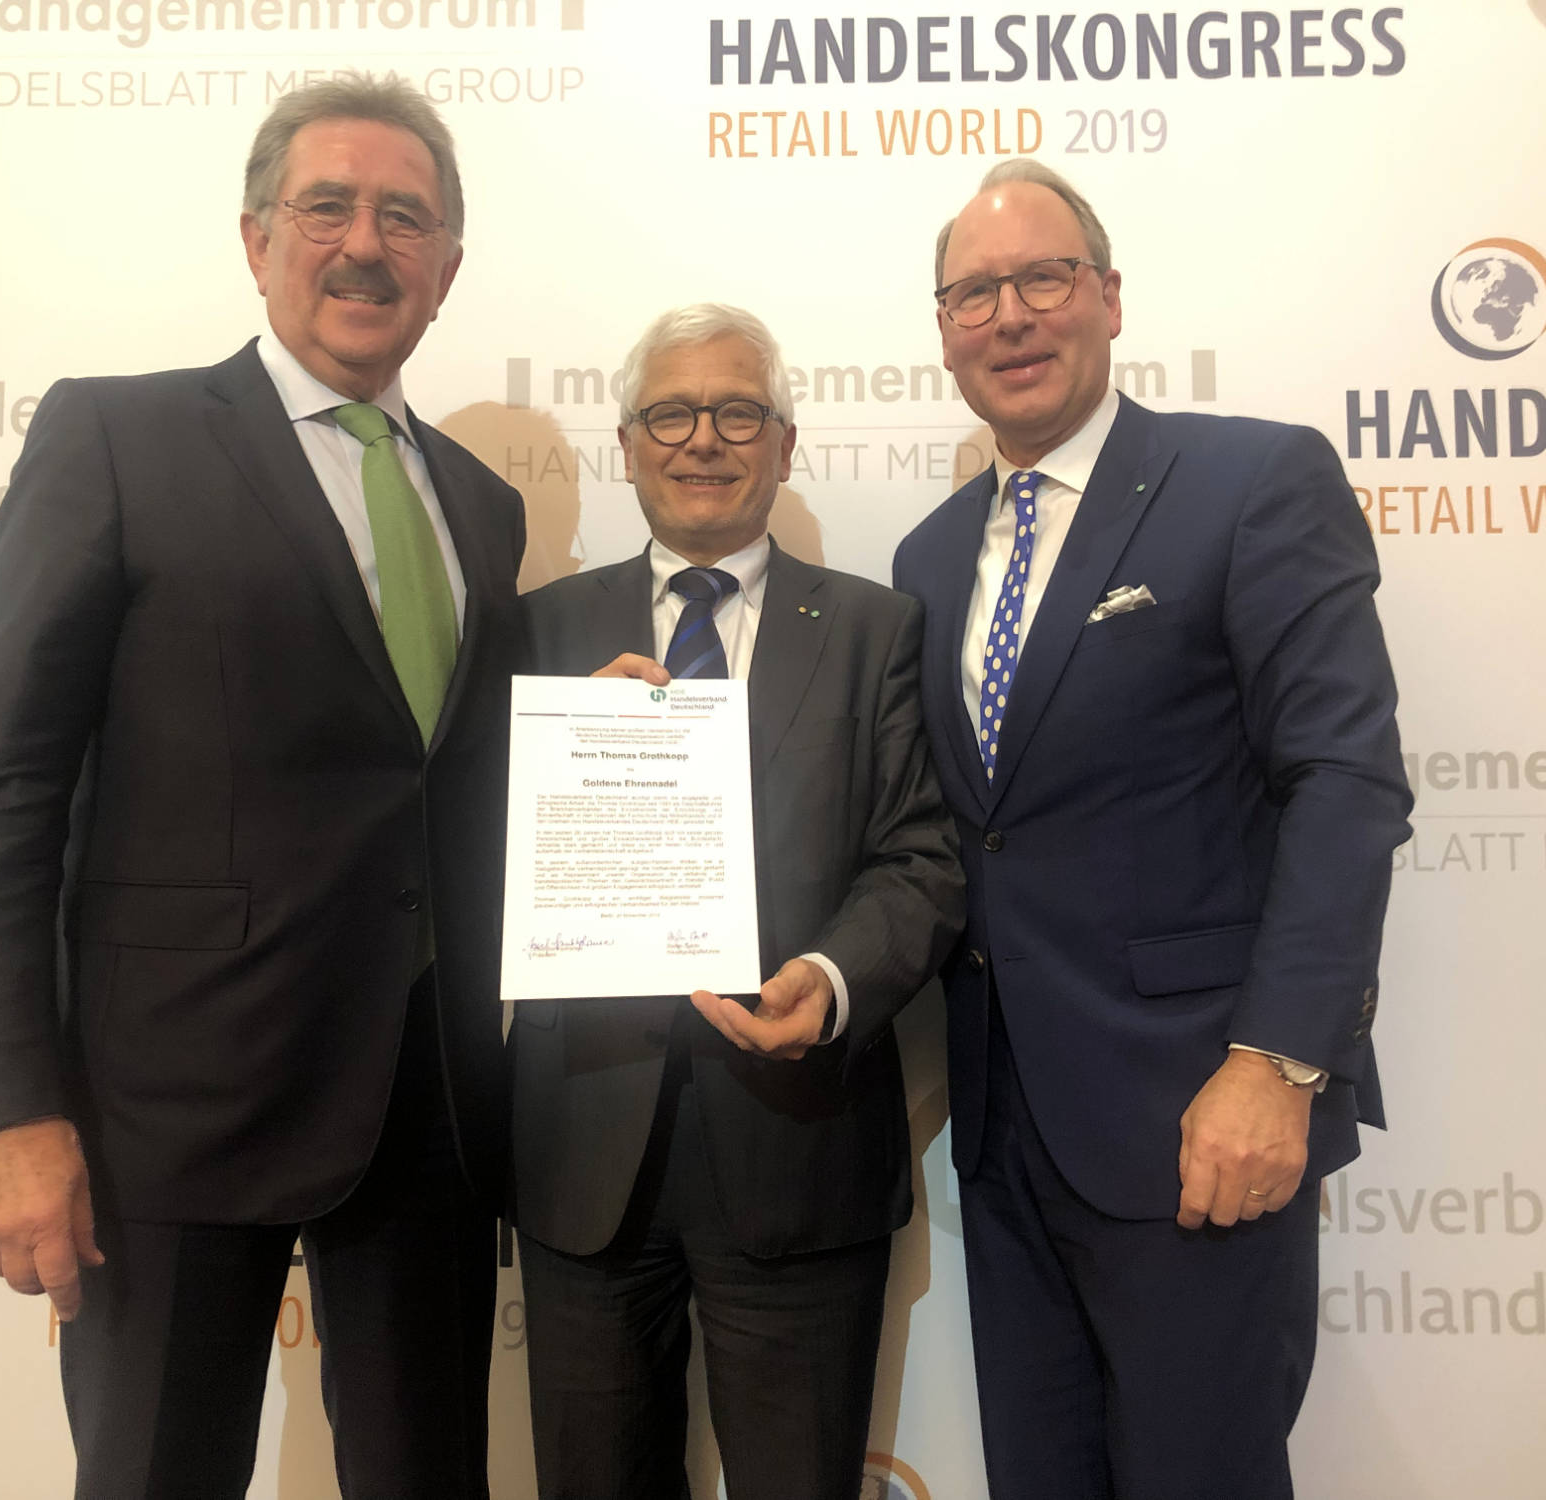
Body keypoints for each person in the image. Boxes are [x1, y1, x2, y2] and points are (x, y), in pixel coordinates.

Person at [0, 75, 522, 1500]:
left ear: (447, 265)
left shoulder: (481, 506)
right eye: (327, 207)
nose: (364, 244)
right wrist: (2, 1106)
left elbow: (443, 776)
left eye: (406, 218)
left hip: (428, 1113)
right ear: (257, 239)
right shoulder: (115, 441)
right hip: (167, 1112)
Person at [891, 160, 1412, 1500]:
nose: (1010, 315)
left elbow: (1345, 779)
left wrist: (1278, 1064)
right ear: (942, 330)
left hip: (1201, 1124)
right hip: (1005, 1137)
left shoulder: (1250, 480)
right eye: (973, 293)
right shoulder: (929, 559)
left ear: (1109, 298)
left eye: (1043, 277)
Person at [512, 304, 964, 1500]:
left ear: (785, 443)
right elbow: (471, 861)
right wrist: (563, 765)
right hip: (582, 1150)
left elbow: (922, 855)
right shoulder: (540, 630)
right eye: (670, 413)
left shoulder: (876, 628)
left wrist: (829, 979)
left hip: (799, 1143)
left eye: (736, 413)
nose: (702, 439)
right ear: (625, 444)